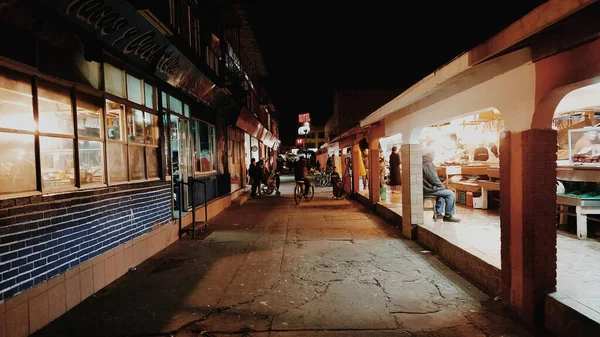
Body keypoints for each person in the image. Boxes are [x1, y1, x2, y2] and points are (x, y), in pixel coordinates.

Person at [422, 147, 460, 222]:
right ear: (429, 154)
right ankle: (448, 215)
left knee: (443, 193)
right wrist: (441, 186)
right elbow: (433, 178)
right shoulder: (427, 163)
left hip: (426, 187)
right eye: (433, 154)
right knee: (450, 194)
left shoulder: (423, 162)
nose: (434, 155)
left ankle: (438, 213)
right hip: (429, 189)